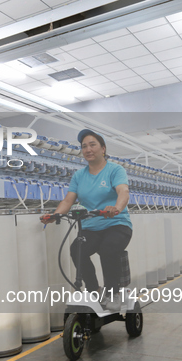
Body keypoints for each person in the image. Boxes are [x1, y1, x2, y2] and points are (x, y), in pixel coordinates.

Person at [40, 129, 132, 310]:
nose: (88, 149)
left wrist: (117, 208)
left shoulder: (115, 170)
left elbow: (123, 191)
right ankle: (94, 290)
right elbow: (68, 200)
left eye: (92, 145)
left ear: (103, 148)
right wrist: (55, 215)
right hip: (91, 226)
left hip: (116, 224)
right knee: (77, 250)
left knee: (108, 248)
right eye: (84, 146)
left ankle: (112, 292)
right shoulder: (79, 176)